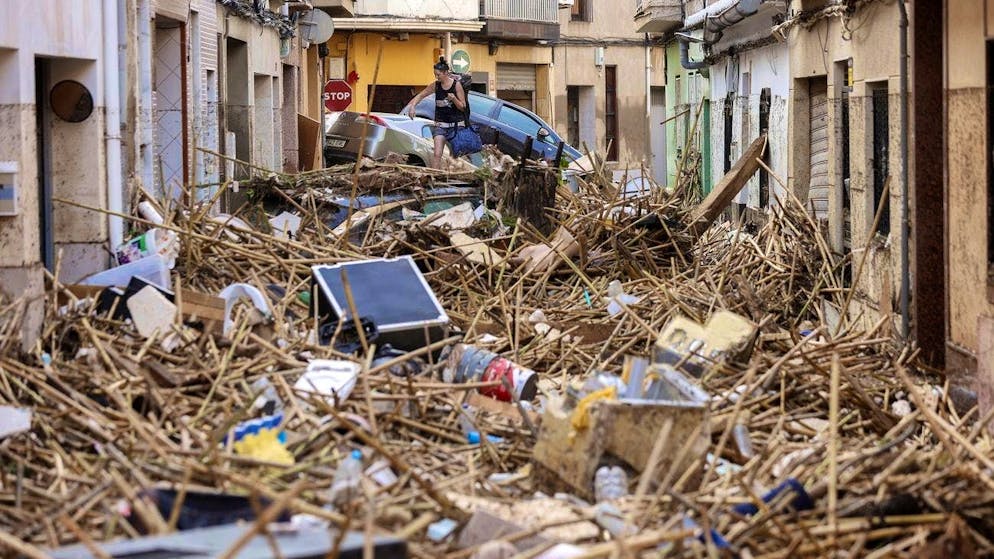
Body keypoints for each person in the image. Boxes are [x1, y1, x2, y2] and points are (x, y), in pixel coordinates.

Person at [407, 57, 467, 168]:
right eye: (435, 75)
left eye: (438, 74)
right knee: (437, 154)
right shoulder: (436, 85)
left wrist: (454, 99)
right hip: (440, 125)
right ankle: (435, 177)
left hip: (456, 126)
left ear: (445, 73)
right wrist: (412, 106)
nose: (436, 77)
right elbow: (421, 95)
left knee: (453, 156)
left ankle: (450, 179)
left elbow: (463, 107)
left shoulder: (456, 85)